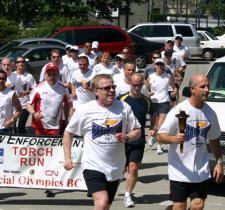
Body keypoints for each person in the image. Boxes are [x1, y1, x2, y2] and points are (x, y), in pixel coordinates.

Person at [63, 74, 141, 210]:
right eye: (106, 88)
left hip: (116, 166)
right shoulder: (85, 110)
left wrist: (127, 137)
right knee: (102, 202)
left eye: (113, 87)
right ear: (96, 92)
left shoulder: (123, 107)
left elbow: (137, 130)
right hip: (93, 165)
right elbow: (68, 133)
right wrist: (67, 158)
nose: (111, 90)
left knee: (105, 206)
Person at [157, 74, 224, 210]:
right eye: (202, 87)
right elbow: (160, 136)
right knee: (180, 207)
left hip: (201, 169)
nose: (207, 90)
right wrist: (174, 139)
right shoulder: (179, 111)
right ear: (192, 89)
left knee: (198, 206)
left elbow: (214, 139)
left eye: (208, 86)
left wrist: (219, 162)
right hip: (179, 169)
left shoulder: (210, 113)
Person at [118, 73, 151, 208]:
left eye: (140, 85)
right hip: (121, 140)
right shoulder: (121, 99)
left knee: (133, 168)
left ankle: (128, 195)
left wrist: (153, 129)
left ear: (143, 84)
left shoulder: (146, 101)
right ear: (130, 83)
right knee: (121, 168)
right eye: (134, 85)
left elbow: (153, 114)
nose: (137, 88)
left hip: (138, 140)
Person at [26, 63, 69, 136]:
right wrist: (34, 113)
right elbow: (28, 104)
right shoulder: (38, 88)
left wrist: (67, 120)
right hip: (40, 126)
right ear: (45, 75)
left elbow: (67, 105)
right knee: (39, 147)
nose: (51, 77)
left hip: (56, 127)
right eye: (49, 74)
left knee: (53, 148)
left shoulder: (64, 90)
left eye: (54, 74)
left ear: (58, 75)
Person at [146, 58, 177, 154]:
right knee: (153, 124)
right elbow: (145, 89)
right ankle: (152, 136)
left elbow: (174, 87)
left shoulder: (168, 76)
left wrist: (174, 92)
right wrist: (148, 93)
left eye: (161, 64)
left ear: (164, 66)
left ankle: (159, 146)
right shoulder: (150, 76)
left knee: (160, 125)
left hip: (164, 101)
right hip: (153, 102)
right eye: (158, 64)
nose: (160, 66)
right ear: (155, 65)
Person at [15, 56, 36, 134]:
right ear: (16, 64)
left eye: (23, 61)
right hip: (13, 105)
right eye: (18, 62)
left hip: (25, 105)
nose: (21, 63)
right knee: (12, 126)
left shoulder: (29, 76)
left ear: (25, 64)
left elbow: (35, 88)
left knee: (21, 126)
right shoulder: (12, 76)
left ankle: (20, 144)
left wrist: (27, 92)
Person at [0, 70, 22, 134]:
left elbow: (19, 109)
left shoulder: (11, 93)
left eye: (3, 78)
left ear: (6, 79)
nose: (1, 81)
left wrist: (12, 120)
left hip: (5, 128)